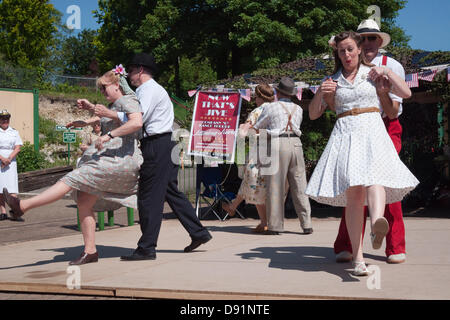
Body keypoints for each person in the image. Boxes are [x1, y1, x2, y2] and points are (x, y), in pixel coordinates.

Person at [305, 31, 419, 276]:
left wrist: (387, 73)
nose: (346, 54)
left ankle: (378, 223)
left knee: (375, 179)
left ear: (358, 50)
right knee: (354, 198)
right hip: (346, 133)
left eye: (350, 49)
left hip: (372, 129)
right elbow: (314, 114)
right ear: (337, 53)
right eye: (341, 50)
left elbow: (406, 94)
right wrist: (320, 93)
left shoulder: (373, 73)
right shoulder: (332, 80)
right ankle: (358, 259)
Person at [3, 69, 143, 265]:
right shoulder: (115, 104)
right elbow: (108, 117)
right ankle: (90, 251)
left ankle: (22, 206)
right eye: (101, 89)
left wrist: (109, 135)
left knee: (72, 178)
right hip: (109, 157)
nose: (102, 92)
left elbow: (136, 122)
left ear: (116, 85)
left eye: (104, 88)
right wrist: (86, 117)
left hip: (121, 159)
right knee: (84, 200)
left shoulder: (128, 100)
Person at [120, 53, 212, 261]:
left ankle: (147, 247)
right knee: (171, 191)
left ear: (141, 70)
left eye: (132, 70)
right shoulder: (154, 89)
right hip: (165, 143)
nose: (129, 75)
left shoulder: (147, 90)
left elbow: (138, 117)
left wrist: (109, 115)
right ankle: (198, 232)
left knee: (149, 197)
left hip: (156, 144)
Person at [333, 19, 410, 265]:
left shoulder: (392, 65)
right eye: (362, 38)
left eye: (372, 38)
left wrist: (382, 87)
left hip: (385, 126)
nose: (367, 43)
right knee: (353, 187)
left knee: (386, 182)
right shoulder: (347, 64)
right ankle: (348, 245)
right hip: (354, 128)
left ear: (380, 42)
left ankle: (394, 245)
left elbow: (392, 109)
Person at [251, 77, 313, 235]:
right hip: (296, 144)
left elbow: (258, 127)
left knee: (275, 186)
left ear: (277, 92)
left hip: (278, 143)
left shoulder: (271, 107)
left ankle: (275, 225)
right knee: (300, 185)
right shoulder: (298, 109)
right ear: (291, 94)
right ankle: (306, 223)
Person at [222, 84, 274, 233]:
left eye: (256, 96)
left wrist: (242, 129)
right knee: (259, 185)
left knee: (254, 183)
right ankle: (234, 207)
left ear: (260, 97)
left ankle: (263, 221)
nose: (254, 99)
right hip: (274, 151)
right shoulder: (275, 109)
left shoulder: (257, 112)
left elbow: (246, 133)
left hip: (258, 151)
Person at [0, 109, 23, 221]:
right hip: (0, 161)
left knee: (12, 188)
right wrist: (2, 159)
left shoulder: (14, 132)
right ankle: (3, 212)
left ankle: (15, 211)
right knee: (0, 188)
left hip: (11, 162)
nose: (5, 120)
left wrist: (8, 159)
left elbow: (18, 147)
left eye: (7, 118)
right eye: (2, 119)